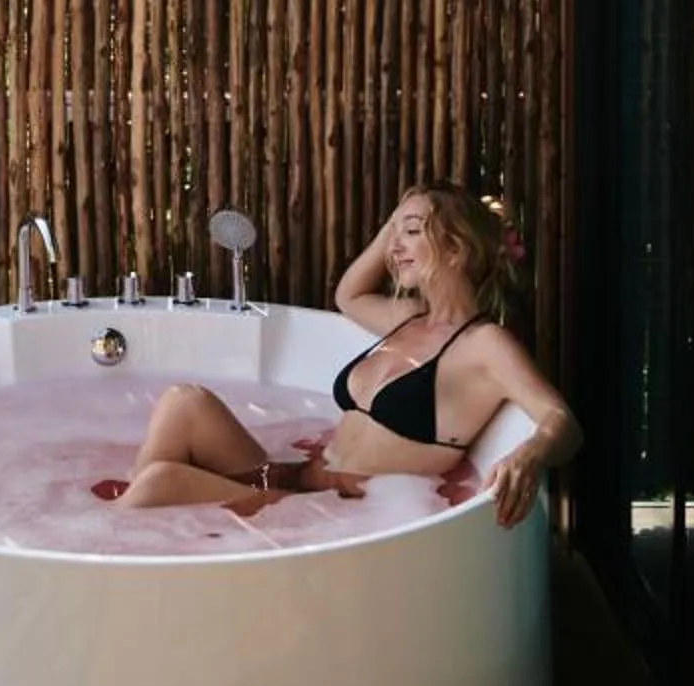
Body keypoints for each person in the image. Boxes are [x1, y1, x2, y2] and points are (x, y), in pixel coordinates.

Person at [116, 182, 580, 527]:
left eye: (412, 232)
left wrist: (530, 454)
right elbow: (348, 295)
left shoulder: (483, 344)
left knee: (160, 482)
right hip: (295, 482)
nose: (394, 247)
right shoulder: (408, 317)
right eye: (394, 233)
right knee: (183, 402)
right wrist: (401, 219)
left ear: (456, 250)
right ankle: (113, 538)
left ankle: (108, 551)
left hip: (332, 515)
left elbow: (561, 421)